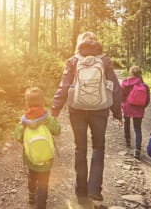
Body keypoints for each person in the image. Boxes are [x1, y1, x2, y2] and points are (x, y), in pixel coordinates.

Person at [51, 31, 122, 203]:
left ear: (79, 44)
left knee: (80, 148)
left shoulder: (73, 61)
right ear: (95, 43)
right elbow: (115, 87)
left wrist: (54, 111)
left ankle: (81, 189)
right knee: (98, 147)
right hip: (100, 109)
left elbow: (64, 86)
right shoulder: (104, 61)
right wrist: (117, 112)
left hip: (77, 109)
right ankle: (95, 189)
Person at [14, 87, 61, 209]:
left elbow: (18, 137)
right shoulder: (47, 118)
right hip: (46, 159)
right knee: (43, 182)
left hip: (30, 158)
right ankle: (41, 206)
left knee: (32, 176)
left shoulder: (24, 120)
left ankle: (31, 197)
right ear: (42, 101)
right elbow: (57, 130)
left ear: (27, 102)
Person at [121, 66, 150, 159]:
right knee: (137, 128)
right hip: (139, 109)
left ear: (131, 73)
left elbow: (121, 95)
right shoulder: (144, 85)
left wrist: (123, 104)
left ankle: (128, 141)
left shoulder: (126, 83)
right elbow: (147, 100)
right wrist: (142, 107)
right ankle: (137, 149)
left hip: (127, 107)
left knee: (126, 123)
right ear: (140, 74)